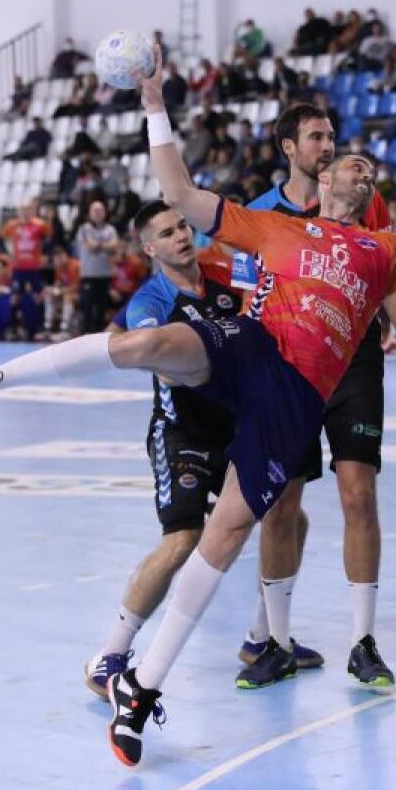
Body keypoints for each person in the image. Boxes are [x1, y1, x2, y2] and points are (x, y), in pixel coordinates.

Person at [0, 45, 396, 767]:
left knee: (228, 530)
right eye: (348, 163)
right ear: (319, 174)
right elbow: (176, 188)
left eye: (370, 170)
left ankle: (142, 688)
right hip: (250, 344)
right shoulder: (275, 226)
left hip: (297, 394)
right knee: (147, 344)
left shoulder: (386, 248)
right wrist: (153, 101)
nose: (359, 170)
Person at [230, 104, 396, 691]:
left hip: (354, 361)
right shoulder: (262, 215)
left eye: (330, 136)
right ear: (289, 148)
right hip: (287, 368)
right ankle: (273, 643)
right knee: (280, 504)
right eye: (315, 137)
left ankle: (363, 642)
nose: (327, 145)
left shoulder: (366, 203)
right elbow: (247, 297)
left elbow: (395, 280)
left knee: (359, 498)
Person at [82, 201, 245, 694]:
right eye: (168, 233)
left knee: (288, 516)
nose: (181, 237)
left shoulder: (223, 281)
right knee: (181, 540)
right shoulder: (150, 301)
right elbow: (153, 357)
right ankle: (110, 656)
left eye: (183, 227)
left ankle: (267, 639)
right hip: (183, 435)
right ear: (150, 248)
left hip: (237, 430)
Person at [0, 201, 52, 340]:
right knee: (15, 297)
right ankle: (13, 328)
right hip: (18, 267)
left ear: (32, 211)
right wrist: (6, 253)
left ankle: (39, 328)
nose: (25, 212)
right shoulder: (12, 225)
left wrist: (45, 255)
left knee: (38, 297)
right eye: (23, 210)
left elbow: (50, 240)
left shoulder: (40, 225)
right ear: (18, 212)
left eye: (28, 210)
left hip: (34, 267)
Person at [76, 201, 121, 334]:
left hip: (105, 275)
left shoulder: (110, 229)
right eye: (95, 211)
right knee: (87, 309)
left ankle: (98, 339)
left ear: (105, 212)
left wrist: (99, 245)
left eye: (100, 210)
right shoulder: (84, 229)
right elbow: (90, 246)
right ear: (90, 213)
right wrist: (106, 245)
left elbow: (114, 246)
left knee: (101, 309)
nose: (97, 213)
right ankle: (85, 337)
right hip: (88, 275)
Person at [42, 245, 81, 341]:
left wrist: (59, 291)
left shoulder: (75, 266)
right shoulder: (59, 268)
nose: (57, 261)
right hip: (66, 293)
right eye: (56, 259)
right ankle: (47, 328)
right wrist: (51, 289)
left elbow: (76, 287)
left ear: (65, 256)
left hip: (80, 294)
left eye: (60, 257)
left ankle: (65, 330)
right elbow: (58, 283)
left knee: (67, 297)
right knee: (49, 295)